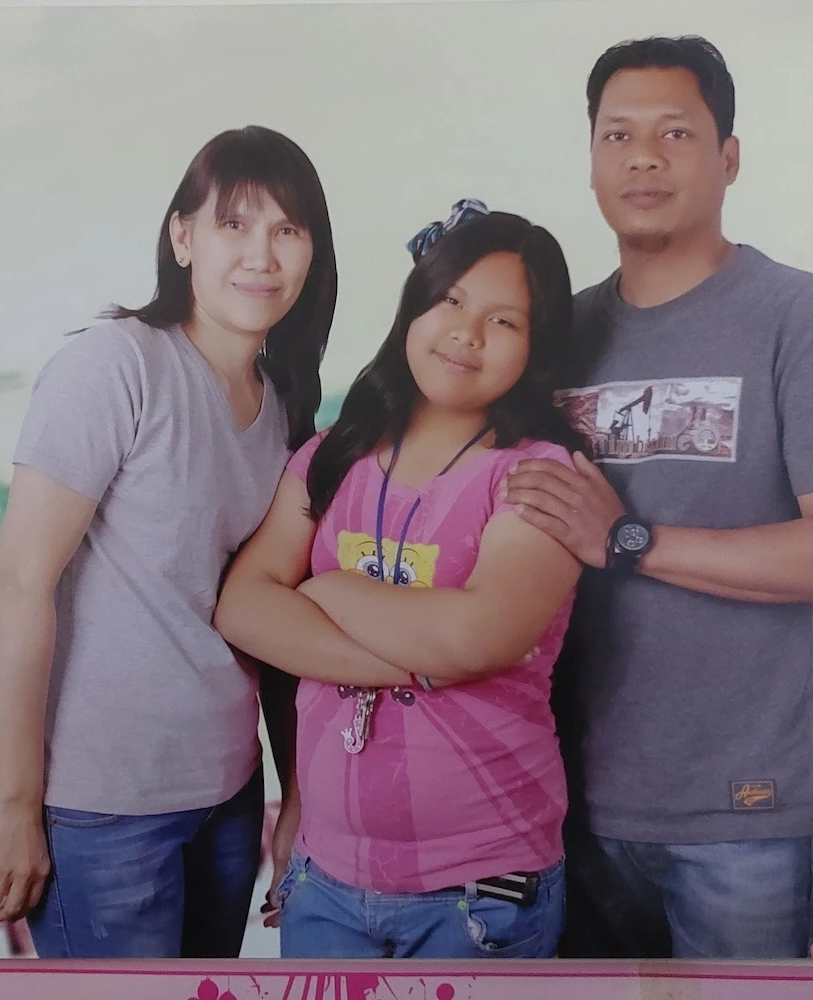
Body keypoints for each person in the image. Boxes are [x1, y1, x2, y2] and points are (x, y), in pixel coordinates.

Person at [502, 35, 813, 959]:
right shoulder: (554, 334)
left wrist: (631, 540)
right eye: (618, 135)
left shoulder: (799, 317)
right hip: (560, 809)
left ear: (728, 156)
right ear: (592, 162)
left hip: (742, 821)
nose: (643, 158)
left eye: (675, 133)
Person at [0, 126, 337, 958]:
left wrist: (296, 797)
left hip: (228, 797)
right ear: (183, 237)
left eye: (287, 229)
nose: (262, 255)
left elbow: (276, 623)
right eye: (234, 224)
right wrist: (17, 803)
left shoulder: (285, 406)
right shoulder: (116, 365)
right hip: (102, 809)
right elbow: (21, 581)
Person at [215, 201, 584, 959]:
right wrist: (417, 661)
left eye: (504, 321)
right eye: (449, 300)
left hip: (478, 890)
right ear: (414, 308)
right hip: (325, 879)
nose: (466, 333)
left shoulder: (537, 475)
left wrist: (326, 593)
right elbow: (244, 607)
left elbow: (478, 636)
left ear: (537, 347)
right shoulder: (333, 456)